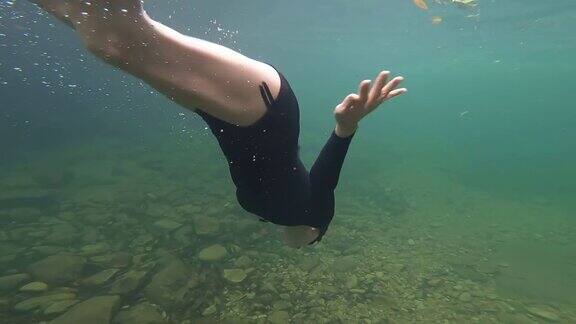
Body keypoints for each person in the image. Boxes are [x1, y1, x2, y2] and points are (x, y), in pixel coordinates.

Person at [29, 0, 407, 247]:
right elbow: (327, 175)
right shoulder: (315, 211)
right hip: (264, 111)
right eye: (312, 243)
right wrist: (346, 126)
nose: (301, 247)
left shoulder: (273, 216)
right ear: (316, 233)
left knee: (103, 35)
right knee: (120, 40)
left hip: (228, 118)